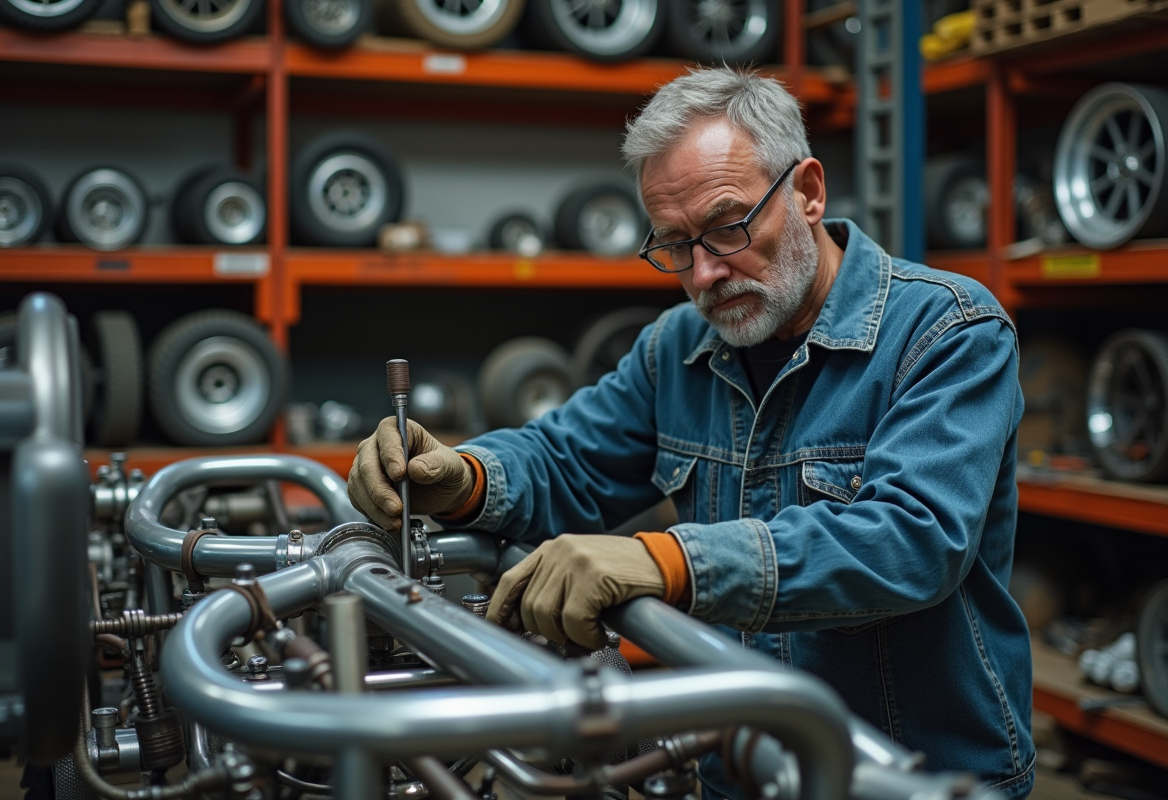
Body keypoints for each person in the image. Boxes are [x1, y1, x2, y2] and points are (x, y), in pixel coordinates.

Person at [348, 67, 1034, 799]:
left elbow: (914, 539)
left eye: (728, 226)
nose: (705, 273)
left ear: (807, 192)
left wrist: (674, 563)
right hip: (736, 769)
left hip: (907, 776)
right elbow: (567, 460)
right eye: (674, 245)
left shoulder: (947, 330)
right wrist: (463, 476)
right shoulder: (676, 347)